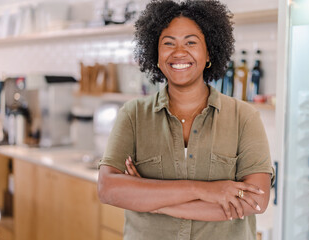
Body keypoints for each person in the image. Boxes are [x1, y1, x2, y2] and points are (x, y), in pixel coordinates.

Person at [97, 0, 275, 239]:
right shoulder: (133, 115)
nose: (179, 52)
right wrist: (205, 190)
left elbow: (256, 201)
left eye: (191, 42)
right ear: (156, 55)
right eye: (168, 43)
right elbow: (108, 189)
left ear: (209, 51)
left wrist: (153, 201)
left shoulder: (244, 117)